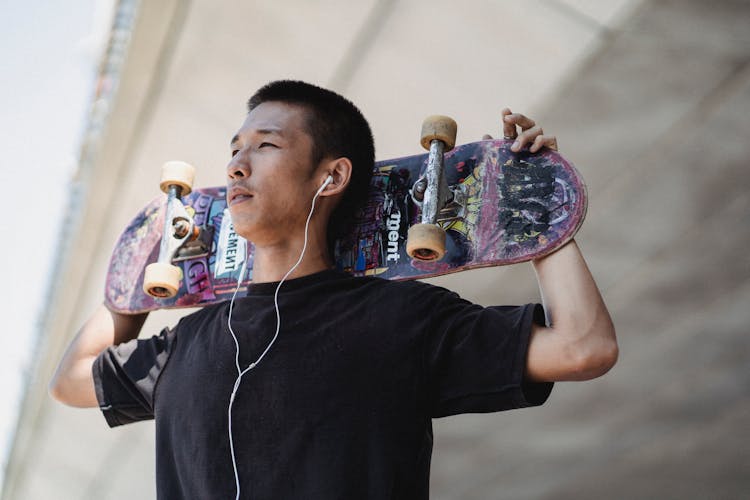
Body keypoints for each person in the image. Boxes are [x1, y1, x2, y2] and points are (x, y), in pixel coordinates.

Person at [49, 80, 617, 499]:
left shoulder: (400, 321)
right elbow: (72, 381)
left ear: (332, 176)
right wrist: (136, 277)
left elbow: (582, 347)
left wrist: (533, 205)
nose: (237, 167)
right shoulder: (182, 346)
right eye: (234, 150)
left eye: (266, 146)